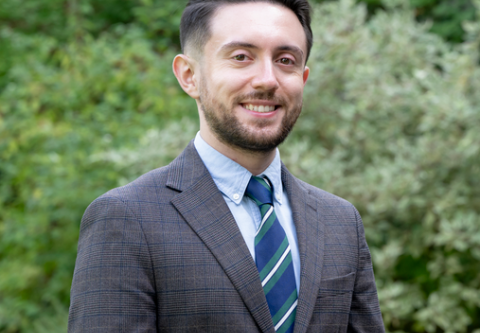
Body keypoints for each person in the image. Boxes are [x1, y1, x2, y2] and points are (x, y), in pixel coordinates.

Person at [68, 0, 385, 332]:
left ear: (303, 78)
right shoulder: (126, 219)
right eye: (241, 57)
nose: (267, 80)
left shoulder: (341, 222)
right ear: (189, 76)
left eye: (285, 61)